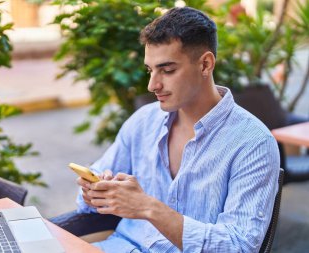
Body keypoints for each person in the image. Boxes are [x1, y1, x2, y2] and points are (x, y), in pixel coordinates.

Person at [76, 6, 280, 252]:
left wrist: (147, 207)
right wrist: (94, 191)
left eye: (167, 70)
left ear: (205, 64)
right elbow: (96, 181)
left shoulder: (253, 143)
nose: (153, 84)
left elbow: (238, 246)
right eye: (150, 70)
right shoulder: (144, 121)